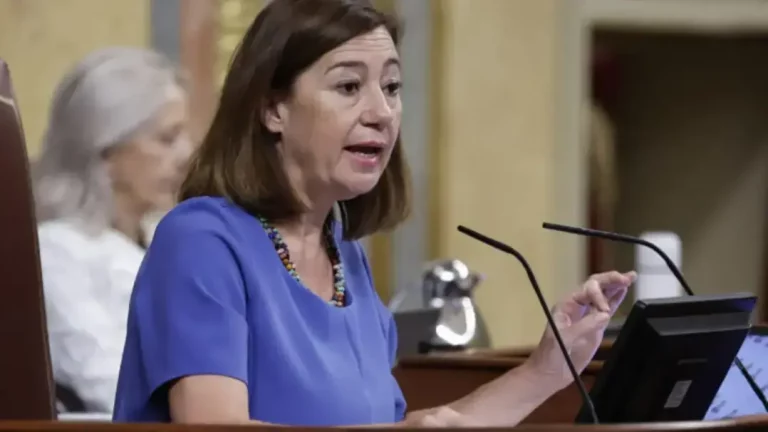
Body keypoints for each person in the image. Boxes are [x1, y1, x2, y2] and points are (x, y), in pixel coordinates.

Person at [112, 0, 636, 426]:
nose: (382, 113)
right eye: (348, 87)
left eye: (391, 87)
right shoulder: (201, 240)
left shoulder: (346, 257)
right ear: (272, 108)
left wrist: (547, 368)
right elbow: (212, 425)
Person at [33, 47, 193, 413]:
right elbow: (107, 380)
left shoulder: (174, 238)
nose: (187, 153)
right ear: (105, 151)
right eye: (167, 139)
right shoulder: (57, 253)